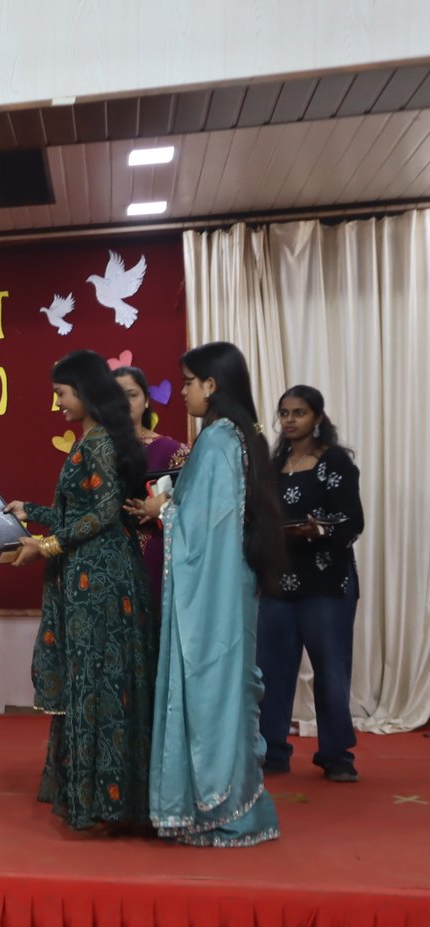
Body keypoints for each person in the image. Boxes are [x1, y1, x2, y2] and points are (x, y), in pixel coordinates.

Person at [126, 341, 283, 847]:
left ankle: (216, 808)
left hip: (214, 590)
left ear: (212, 385)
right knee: (226, 686)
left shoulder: (217, 440)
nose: (184, 392)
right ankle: (233, 804)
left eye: (190, 382)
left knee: (209, 685)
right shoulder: (240, 435)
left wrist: (164, 511)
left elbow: (206, 526)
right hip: (230, 584)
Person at [6, 350, 154, 833]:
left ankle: (107, 801)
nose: (57, 403)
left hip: (102, 582)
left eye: (62, 393)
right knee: (92, 679)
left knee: (100, 681)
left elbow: (104, 514)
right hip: (93, 574)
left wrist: (46, 545)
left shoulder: (100, 443)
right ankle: (98, 794)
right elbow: (80, 513)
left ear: (86, 392)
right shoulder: (95, 439)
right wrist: (27, 510)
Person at [257, 385, 365, 782]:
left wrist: (318, 531)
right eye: (284, 413)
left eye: (299, 413)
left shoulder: (334, 461)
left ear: (318, 418)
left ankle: (336, 755)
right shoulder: (273, 465)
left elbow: (352, 522)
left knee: (331, 670)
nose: (289, 420)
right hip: (278, 583)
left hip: (326, 582)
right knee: (271, 671)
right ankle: (271, 751)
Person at [114, 365, 190, 603]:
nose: (124, 403)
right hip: (106, 559)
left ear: (146, 400)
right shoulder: (93, 451)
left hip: (157, 556)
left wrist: (161, 506)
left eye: (131, 394)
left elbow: (194, 505)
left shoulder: (173, 451)